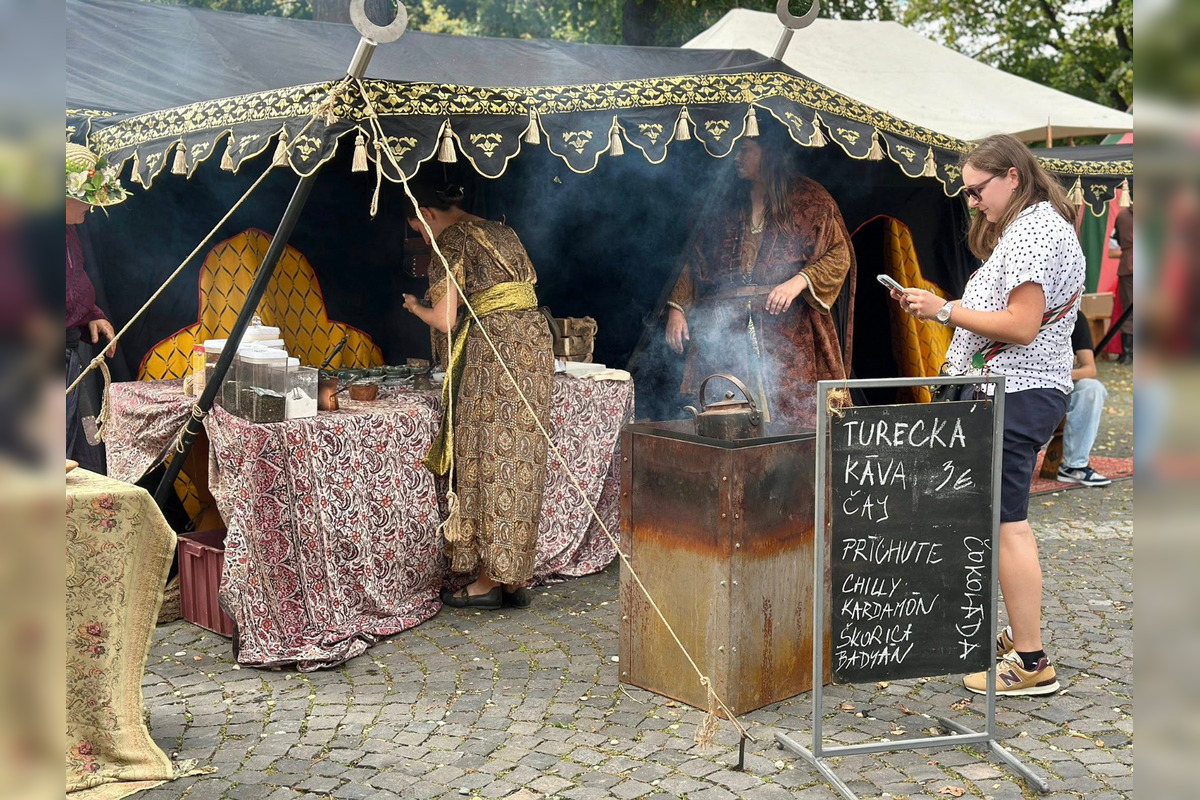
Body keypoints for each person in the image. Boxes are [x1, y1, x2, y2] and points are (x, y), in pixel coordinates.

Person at [895, 134, 1084, 696]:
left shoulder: (1033, 232)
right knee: (1002, 520)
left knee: (1007, 524)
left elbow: (1021, 325)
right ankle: (1021, 638)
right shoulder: (1039, 227)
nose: (973, 202)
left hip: (1016, 391)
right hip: (1018, 390)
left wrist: (944, 311)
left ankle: (1031, 661)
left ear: (1013, 177)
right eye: (968, 193)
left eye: (978, 190)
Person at [402, 181, 554, 611]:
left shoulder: (451, 241)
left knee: (491, 459)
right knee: (523, 460)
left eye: (418, 228)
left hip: (495, 354)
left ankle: (487, 581)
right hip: (533, 346)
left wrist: (415, 307)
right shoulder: (502, 230)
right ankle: (512, 578)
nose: (423, 237)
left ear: (427, 214)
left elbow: (446, 320)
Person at [664, 126, 854, 430]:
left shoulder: (809, 199)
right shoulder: (724, 201)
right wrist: (677, 308)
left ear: (769, 152)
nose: (735, 157)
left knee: (794, 415)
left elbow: (838, 255)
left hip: (787, 328)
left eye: (745, 149)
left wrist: (798, 281)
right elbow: (696, 258)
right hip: (726, 327)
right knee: (730, 413)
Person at [66, 142, 125, 473]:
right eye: (85, 198)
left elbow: (73, 281)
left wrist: (90, 315)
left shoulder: (68, 231)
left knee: (77, 452)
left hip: (68, 353)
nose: (90, 207)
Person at [1056, 312, 1112, 487]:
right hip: (1019, 387)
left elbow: (1090, 369)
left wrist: (1058, 376)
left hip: (1059, 387)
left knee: (1092, 388)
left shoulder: (1075, 317)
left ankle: (1074, 466)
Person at [1113, 204, 1133, 364]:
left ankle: (1127, 353)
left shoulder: (1122, 215)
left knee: (1128, 309)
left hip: (1128, 263)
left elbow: (1117, 240)